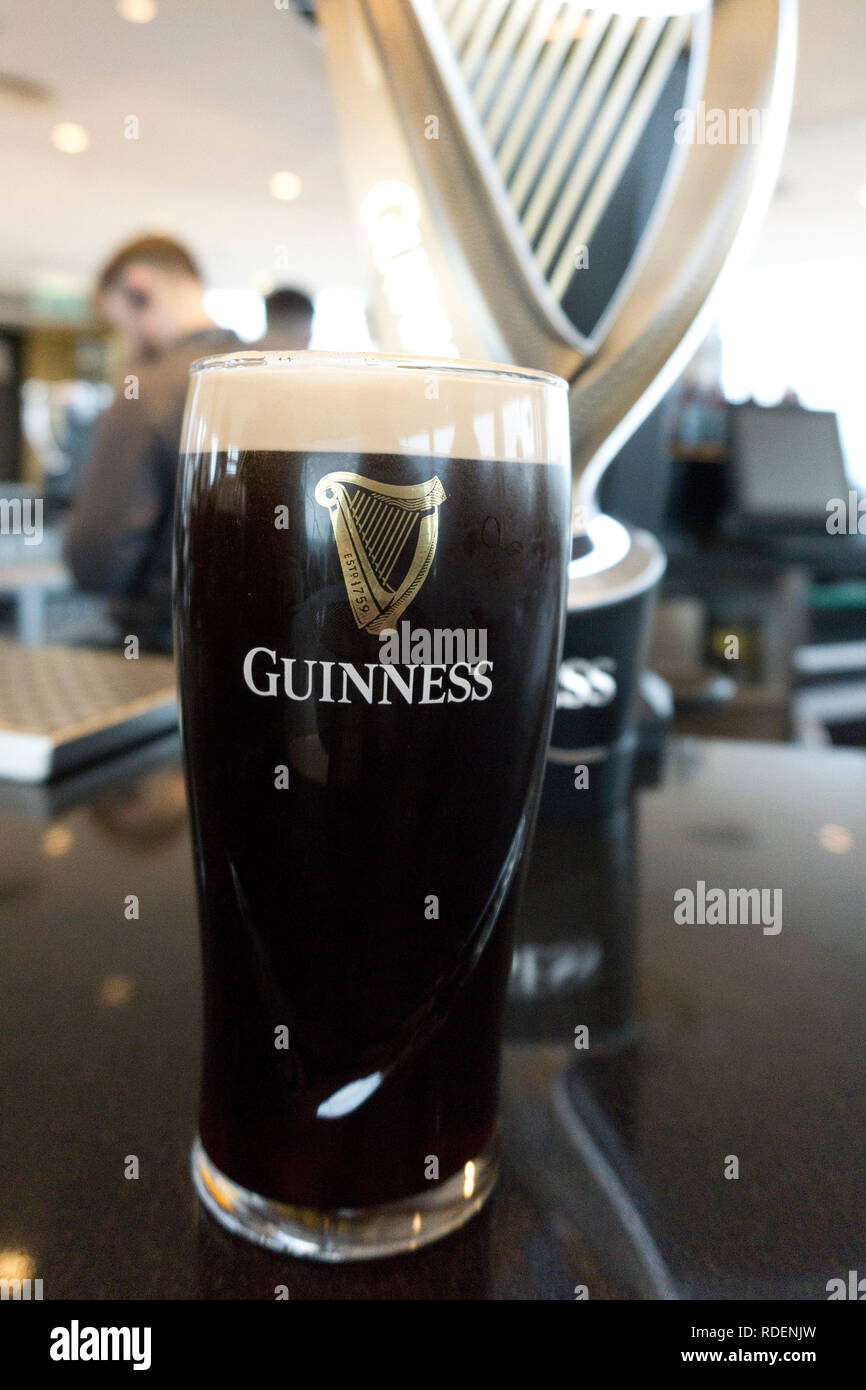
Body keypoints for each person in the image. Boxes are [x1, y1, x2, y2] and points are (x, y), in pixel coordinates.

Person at [64, 234, 241, 653]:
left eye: (120, 323)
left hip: (162, 653)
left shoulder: (146, 389)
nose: (125, 341)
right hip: (263, 665)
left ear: (139, 289)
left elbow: (96, 562)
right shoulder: (275, 373)